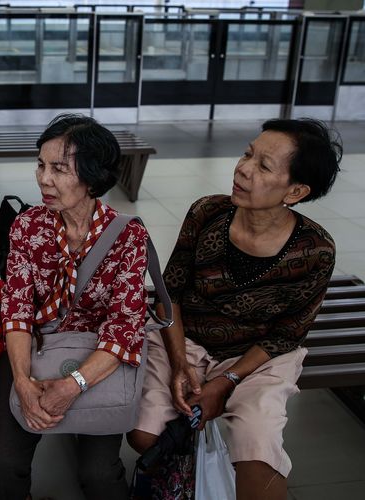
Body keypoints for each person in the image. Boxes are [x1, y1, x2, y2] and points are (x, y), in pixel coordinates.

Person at [127, 118, 342, 500]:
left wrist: (226, 382)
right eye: (247, 154)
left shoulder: (314, 250)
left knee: (257, 450)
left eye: (263, 165)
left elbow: (287, 335)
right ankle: (182, 473)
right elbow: (169, 292)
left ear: (296, 190)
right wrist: (180, 364)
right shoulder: (206, 213)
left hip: (256, 358)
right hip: (186, 339)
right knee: (144, 435)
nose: (243, 168)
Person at [0, 114, 149, 500]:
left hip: (99, 355)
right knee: (4, 464)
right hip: (35, 348)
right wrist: (23, 383)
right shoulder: (27, 226)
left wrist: (74, 385)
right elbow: (18, 311)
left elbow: (124, 326)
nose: (44, 179)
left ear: (92, 175)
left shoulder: (128, 235)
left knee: (101, 475)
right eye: (41, 165)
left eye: (59, 168)